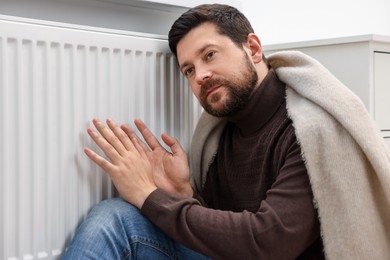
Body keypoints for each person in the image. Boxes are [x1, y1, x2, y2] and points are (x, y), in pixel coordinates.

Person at [63, 4, 390, 260]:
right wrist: (184, 193)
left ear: (253, 48)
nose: (200, 75)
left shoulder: (310, 131)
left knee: (120, 218)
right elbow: (224, 228)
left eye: (209, 55)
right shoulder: (220, 133)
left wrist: (149, 196)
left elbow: (268, 243)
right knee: (116, 215)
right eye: (189, 70)